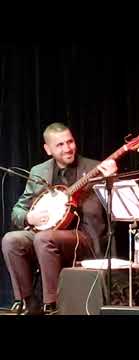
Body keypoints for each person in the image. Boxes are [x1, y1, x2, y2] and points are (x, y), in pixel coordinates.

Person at [1, 122, 117, 315]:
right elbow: (18, 210)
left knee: (44, 238)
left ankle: (52, 305)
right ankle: (27, 302)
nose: (68, 148)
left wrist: (111, 179)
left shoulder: (94, 168)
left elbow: (116, 205)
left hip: (84, 236)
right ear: (48, 149)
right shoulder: (39, 171)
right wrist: (29, 217)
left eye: (70, 142)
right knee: (11, 240)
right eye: (60, 145)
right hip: (45, 235)